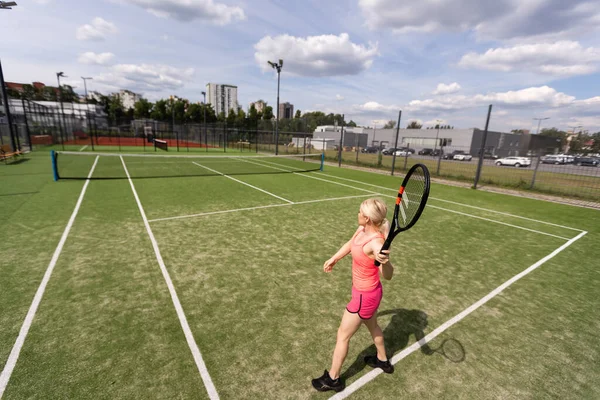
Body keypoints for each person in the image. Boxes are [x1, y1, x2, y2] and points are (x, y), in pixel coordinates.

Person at [312, 198, 395, 393]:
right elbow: (350, 244)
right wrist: (334, 258)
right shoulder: (362, 230)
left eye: (359, 211)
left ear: (366, 218)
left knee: (343, 335)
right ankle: (383, 360)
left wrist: (386, 262)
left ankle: (333, 379)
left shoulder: (375, 243)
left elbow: (388, 276)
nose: (357, 213)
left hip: (364, 297)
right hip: (369, 293)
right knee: (373, 326)